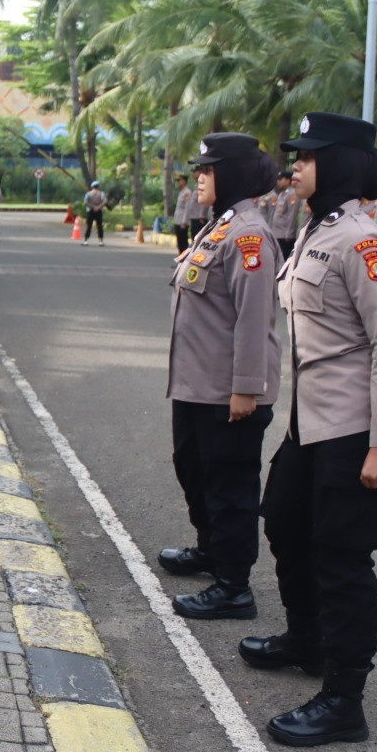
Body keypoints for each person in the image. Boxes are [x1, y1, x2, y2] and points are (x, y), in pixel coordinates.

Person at [245, 112, 377, 748]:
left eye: (307, 157)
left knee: (343, 559)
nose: (294, 166)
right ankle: (307, 638)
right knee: (285, 522)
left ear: (338, 164)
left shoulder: (362, 241)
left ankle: (345, 699)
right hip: (309, 422)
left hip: (357, 426)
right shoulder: (316, 230)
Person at [159, 134, 281, 621]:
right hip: (195, 384)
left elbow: (254, 319)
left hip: (227, 391)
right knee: (194, 469)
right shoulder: (219, 228)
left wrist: (245, 388)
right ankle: (210, 549)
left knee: (230, 485)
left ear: (232, 174)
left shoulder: (249, 236)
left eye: (210, 169)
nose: (200, 177)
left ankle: (234, 585)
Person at [269, 170, 301, 259]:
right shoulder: (282, 194)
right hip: (277, 233)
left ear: (287, 180)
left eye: (280, 179)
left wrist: (289, 233)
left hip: (284, 235)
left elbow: (292, 215)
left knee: (283, 258)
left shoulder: (292, 194)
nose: (278, 181)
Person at [172, 175, 194, 253]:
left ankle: (184, 260)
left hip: (182, 221)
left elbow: (187, 208)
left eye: (180, 180)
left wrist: (184, 222)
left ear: (184, 181)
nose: (178, 182)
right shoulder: (181, 192)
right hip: (178, 220)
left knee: (183, 242)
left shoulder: (187, 192)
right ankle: (180, 260)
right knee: (179, 242)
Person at [81, 181, 107, 246]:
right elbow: (105, 201)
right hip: (99, 211)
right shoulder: (101, 194)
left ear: (92, 187)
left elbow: (85, 202)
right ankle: (101, 241)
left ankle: (85, 241)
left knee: (89, 226)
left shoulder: (88, 194)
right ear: (98, 186)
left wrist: (93, 207)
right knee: (99, 226)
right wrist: (98, 207)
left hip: (91, 211)